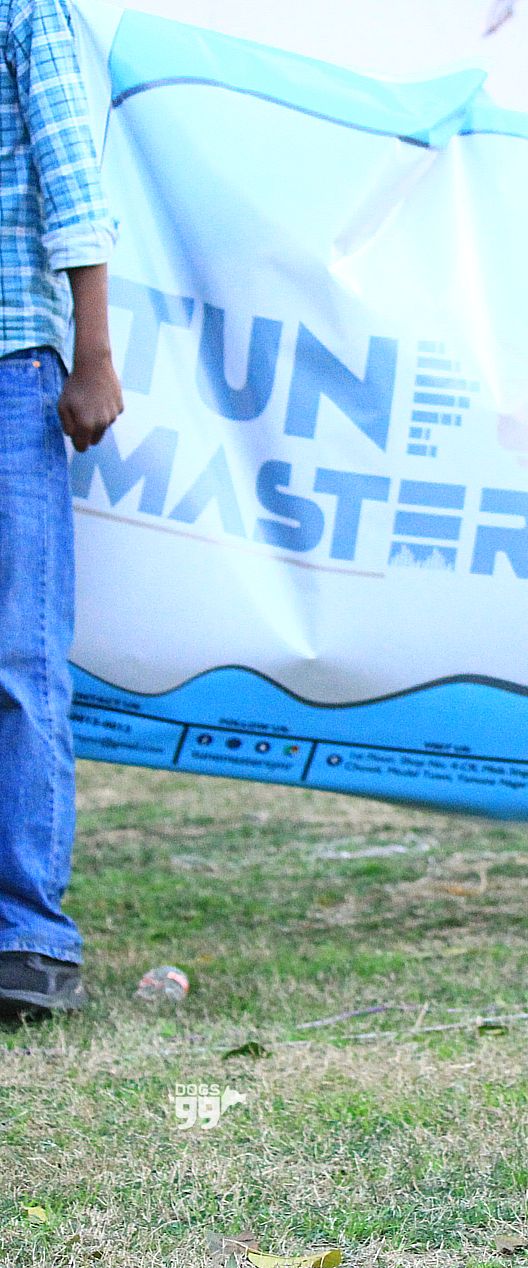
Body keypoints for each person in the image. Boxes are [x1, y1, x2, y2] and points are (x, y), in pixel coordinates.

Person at [0, 0, 124, 1023]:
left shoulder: (27, 8)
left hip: (11, 368)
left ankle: (29, 937)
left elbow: (72, 179)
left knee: (19, 658)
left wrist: (94, 354)